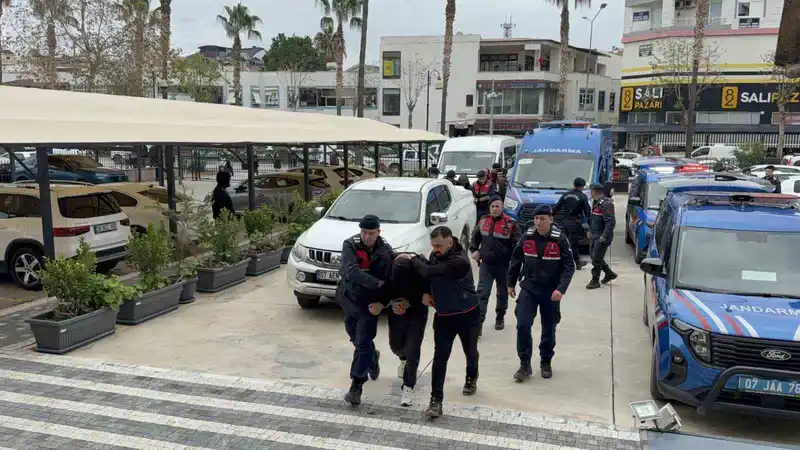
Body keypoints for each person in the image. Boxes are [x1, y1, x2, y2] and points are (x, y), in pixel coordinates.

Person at [396, 226, 480, 419]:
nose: (435, 249)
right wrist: (427, 292)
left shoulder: (460, 261)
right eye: (433, 245)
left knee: (470, 351)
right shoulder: (436, 255)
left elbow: (428, 271)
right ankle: (436, 401)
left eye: (439, 245)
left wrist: (412, 258)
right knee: (440, 358)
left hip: (467, 315)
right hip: (444, 317)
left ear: (450, 242)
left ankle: (471, 376)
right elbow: (429, 278)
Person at [507, 205, 575, 382]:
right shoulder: (527, 236)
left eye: (543, 218)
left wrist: (561, 289)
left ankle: (546, 361)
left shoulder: (560, 239)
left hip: (550, 291)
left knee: (548, 328)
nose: (538, 222)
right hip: (529, 288)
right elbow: (516, 260)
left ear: (551, 219)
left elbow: (569, 267)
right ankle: (524, 364)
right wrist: (510, 283)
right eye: (536, 218)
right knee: (522, 324)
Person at [337, 214, 395, 405]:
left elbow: (391, 278)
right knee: (354, 336)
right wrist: (377, 283)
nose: (367, 237)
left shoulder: (385, 250)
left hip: (369, 304)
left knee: (362, 342)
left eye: (371, 233)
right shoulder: (350, 245)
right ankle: (372, 356)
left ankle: (357, 385)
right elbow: (351, 271)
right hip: (349, 298)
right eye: (364, 232)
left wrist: (383, 301)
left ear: (378, 232)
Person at [470, 196, 520, 333]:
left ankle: (500, 317)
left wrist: (515, 264)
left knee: (502, 294)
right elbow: (474, 239)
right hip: (486, 265)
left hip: (504, 266)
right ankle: (478, 323)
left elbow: (517, 246)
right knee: (482, 294)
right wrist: (474, 250)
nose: (494, 209)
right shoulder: (483, 221)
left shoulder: (511, 224)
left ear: (502, 207)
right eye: (492, 206)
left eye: (497, 206)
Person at [386, 257, 429, 407]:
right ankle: (402, 357)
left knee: (413, 349)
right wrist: (392, 303)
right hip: (396, 311)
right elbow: (381, 291)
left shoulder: (421, 268)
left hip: (417, 312)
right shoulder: (387, 267)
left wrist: (410, 302)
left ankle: (408, 386)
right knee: (395, 346)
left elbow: (428, 291)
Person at [552, 177, 591, 269]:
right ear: (582, 186)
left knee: (564, 242)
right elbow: (587, 212)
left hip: (565, 222)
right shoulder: (583, 196)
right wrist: (590, 223)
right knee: (574, 244)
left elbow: (557, 207)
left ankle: (565, 261)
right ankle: (576, 263)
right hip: (576, 223)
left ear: (574, 185)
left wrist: (551, 216)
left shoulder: (565, 195)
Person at [587, 183, 617, 289]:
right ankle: (609, 273)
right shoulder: (596, 202)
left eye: (591, 191)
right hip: (594, 234)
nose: (590, 193)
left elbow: (610, 223)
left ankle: (595, 280)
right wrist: (590, 231)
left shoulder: (606, 203)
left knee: (596, 259)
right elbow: (593, 219)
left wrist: (604, 237)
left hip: (601, 236)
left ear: (595, 191)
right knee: (594, 256)